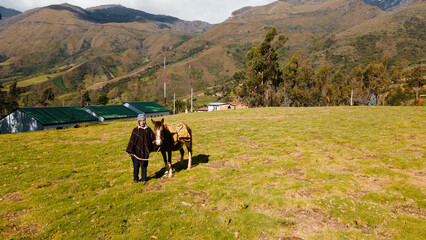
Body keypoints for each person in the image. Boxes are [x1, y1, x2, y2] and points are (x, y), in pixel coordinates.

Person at [126, 113, 156, 184]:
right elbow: (132, 141)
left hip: (145, 152)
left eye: (143, 120)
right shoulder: (135, 130)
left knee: (144, 166)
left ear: (145, 121)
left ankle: (144, 179)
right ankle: (135, 179)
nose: (142, 122)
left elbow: (153, 139)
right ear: (138, 121)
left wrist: (157, 145)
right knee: (136, 166)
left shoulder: (148, 130)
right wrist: (131, 151)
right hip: (136, 153)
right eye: (141, 120)